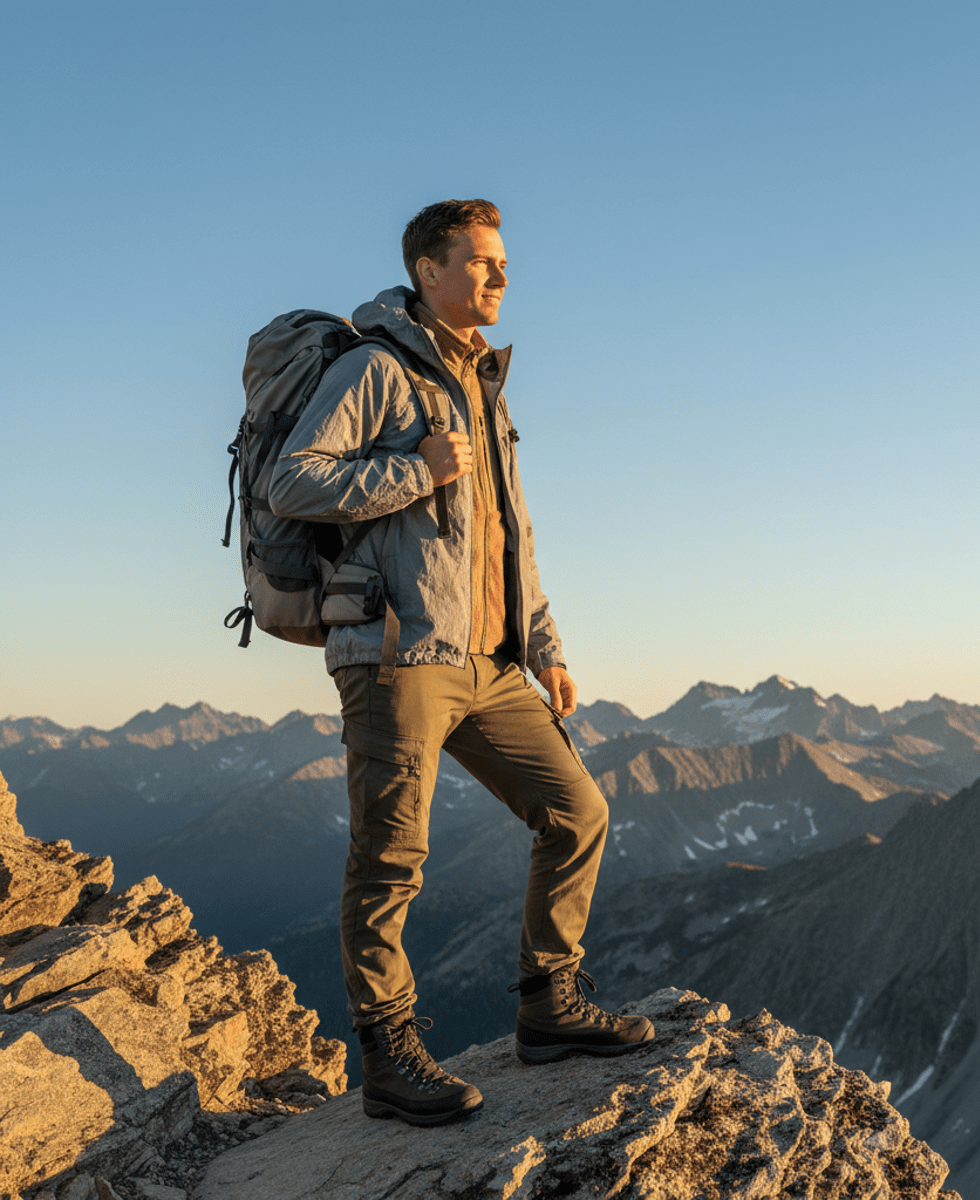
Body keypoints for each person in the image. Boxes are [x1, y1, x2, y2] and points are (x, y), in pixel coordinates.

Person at [268, 199, 653, 1125]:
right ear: (428, 270)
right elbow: (292, 479)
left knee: (578, 810)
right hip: (396, 654)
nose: (500, 276)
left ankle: (549, 1008)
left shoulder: (486, 386)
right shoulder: (376, 369)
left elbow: (511, 537)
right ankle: (390, 1058)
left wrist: (546, 647)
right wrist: (417, 469)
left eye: (503, 262)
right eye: (480, 261)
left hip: (488, 661)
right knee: (391, 859)